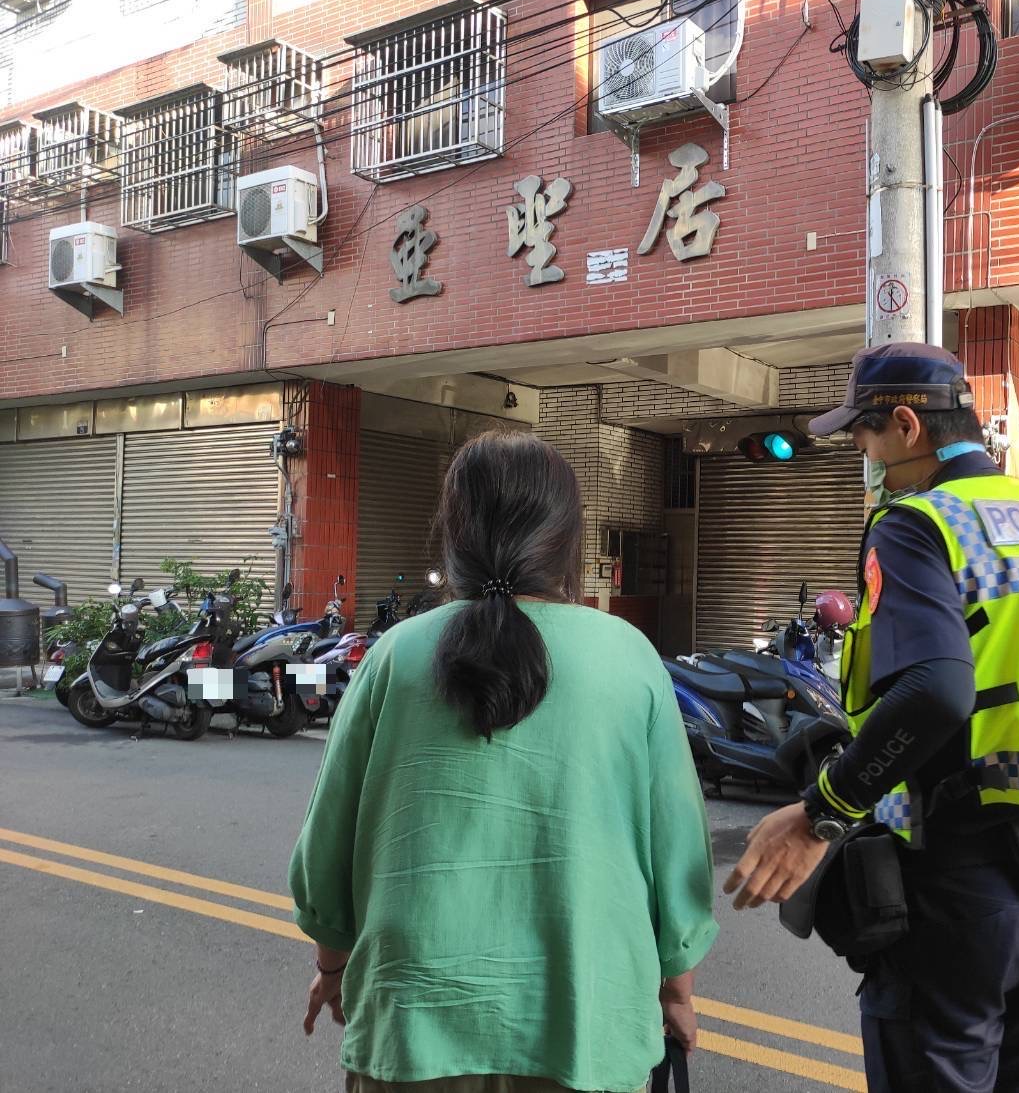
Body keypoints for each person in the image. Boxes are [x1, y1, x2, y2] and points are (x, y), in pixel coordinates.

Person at [724, 342, 1019, 1093]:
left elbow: (935, 690)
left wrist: (822, 812)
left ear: (905, 425)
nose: (861, 453)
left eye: (863, 434)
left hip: (964, 887)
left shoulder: (917, 523)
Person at [291, 432, 718, 1093]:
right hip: (587, 1027)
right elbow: (677, 852)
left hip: (411, 1025)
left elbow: (327, 847)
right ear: (566, 537)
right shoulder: (628, 657)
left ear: (454, 531)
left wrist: (333, 966)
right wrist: (676, 992)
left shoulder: (394, 655)